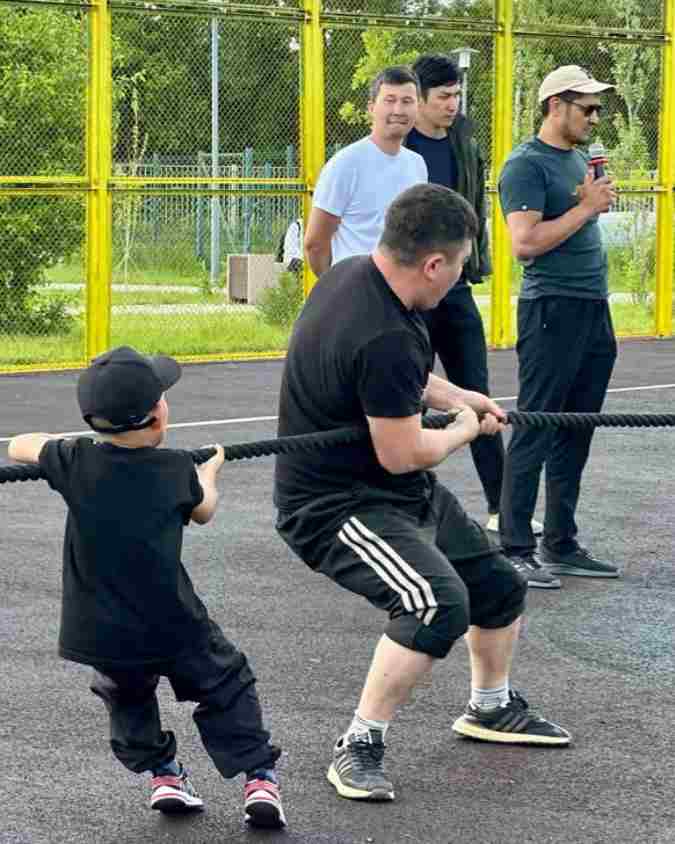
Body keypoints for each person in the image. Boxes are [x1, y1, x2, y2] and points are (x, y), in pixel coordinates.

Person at [274, 183, 570, 804]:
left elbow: (403, 382)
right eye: (460, 266)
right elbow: (402, 451)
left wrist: (459, 397)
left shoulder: (354, 274)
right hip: (333, 506)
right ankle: (359, 742)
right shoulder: (383, 333)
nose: (461, 278)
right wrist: (464, 430)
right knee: (435, 604)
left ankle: (490, 707)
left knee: (498, 587)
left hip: (394, 491)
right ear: (433, 264)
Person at [8, 346, 286, 829]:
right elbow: (204, 510)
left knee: (128, 696)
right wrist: (209, 473)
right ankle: (258, 777)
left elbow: (19, 444)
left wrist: (66, 445)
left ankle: (164, 773)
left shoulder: (75, 461)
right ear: (158, 415)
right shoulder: (175, 469)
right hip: (173, 622)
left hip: (101, 632)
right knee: (226, 682)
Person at [406, 54, 545, 554]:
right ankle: (403, 507)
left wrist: (471, 261)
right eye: (444, 97)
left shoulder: (463, 138)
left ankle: (501, 509)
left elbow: (475, 207)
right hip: (412, 292)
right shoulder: (402, 146)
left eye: (456, 96)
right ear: (420, 99)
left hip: (457, 286)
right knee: (407, 397)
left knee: (477, 396)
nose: (453, 105)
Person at [498, 65, 620, 585]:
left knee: (576, 430)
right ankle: (514, 547)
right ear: (555, 106)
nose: (595, 117)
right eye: (586, 108)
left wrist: (594, 204)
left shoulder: (577, 160)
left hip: (593, 307)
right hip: (551, 310)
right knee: (536, 426)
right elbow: (524, 244)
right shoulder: (526, 165)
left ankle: (561, 542)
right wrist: (585, 208)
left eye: (597, 109)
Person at [304, 65, 428, 276]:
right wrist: (336, 286)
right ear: (371, 108)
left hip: (404, 289)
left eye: (407, 101)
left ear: (418, 108)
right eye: (389, 100)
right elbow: (315, 244)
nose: (398, 110)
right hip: (356, 287)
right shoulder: (346, 164)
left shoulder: (417, 164)